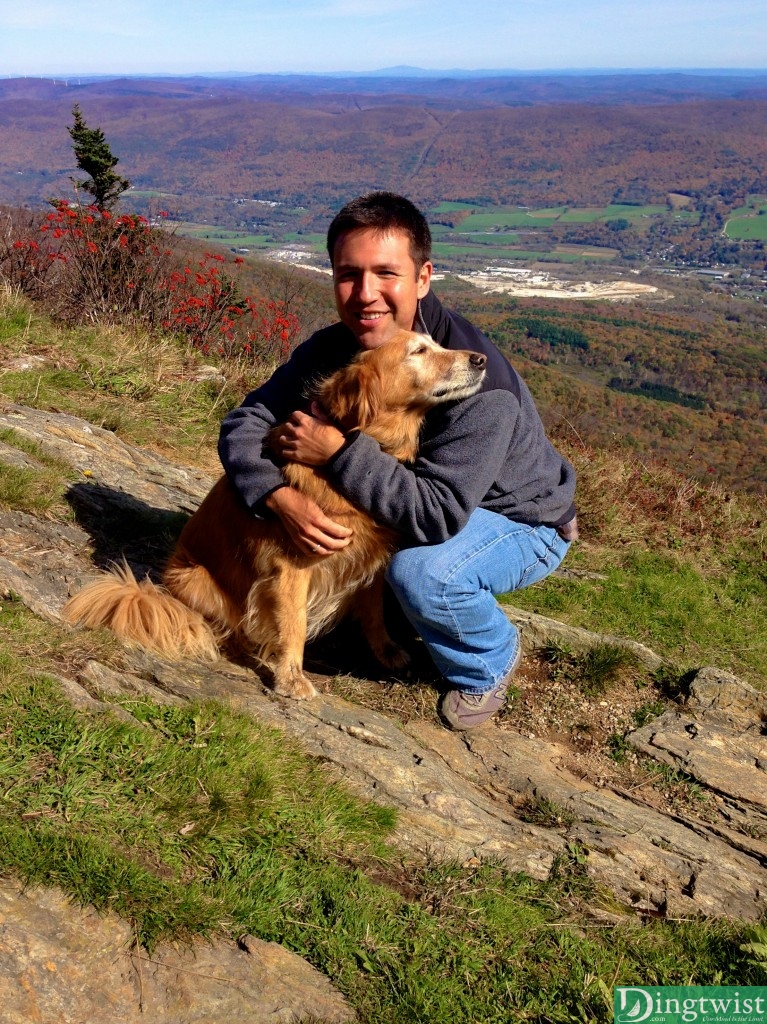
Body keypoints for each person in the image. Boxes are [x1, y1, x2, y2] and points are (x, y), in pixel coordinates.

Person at [218, 192, 577, 730]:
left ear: (423, 278)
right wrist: (277, 495)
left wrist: (338, 451)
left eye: (386, 273)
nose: (365, 295)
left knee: (422, 572)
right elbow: (246, 422)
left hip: (520, 521)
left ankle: (488, 661)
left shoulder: (478, 384)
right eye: (348, 274)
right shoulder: (341, 349)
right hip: (426, 501)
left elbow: (435, 515)